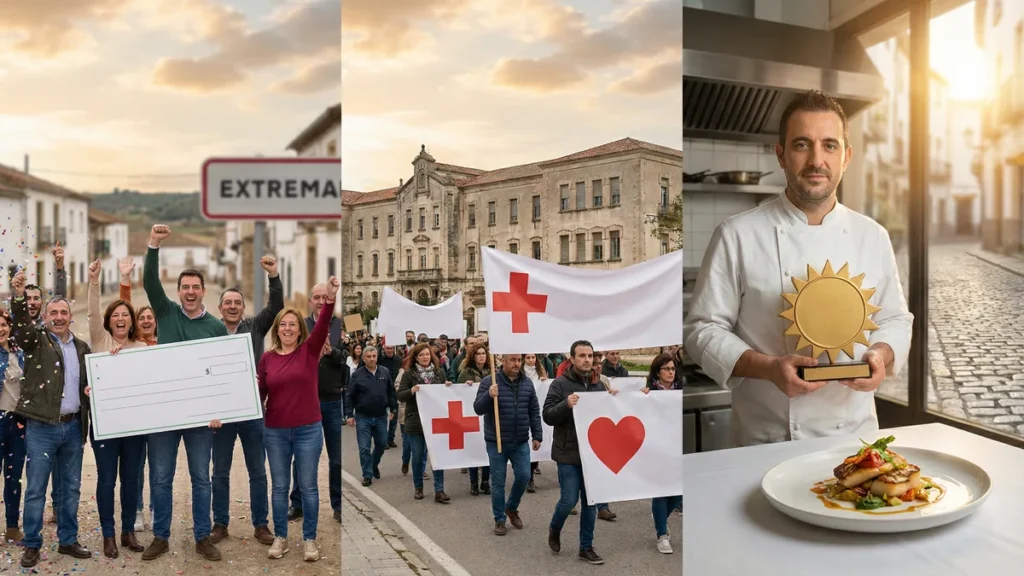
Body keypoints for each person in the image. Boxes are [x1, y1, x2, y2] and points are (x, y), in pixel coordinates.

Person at [683, 90, 914, 447]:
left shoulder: (873, 235)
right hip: (766, 440)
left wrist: (881, 356)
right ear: (781, 155)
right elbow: (702, 330)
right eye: (802, 144)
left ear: (847, 157)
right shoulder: (737, 234)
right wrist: (769, 368)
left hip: (854, 441)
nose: (816, 160)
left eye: (830, 146)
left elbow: (896, 319)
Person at [141, 224, 228, 561]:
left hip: (200, 418)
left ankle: (202, 537)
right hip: (166, 413)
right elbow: (149, 283)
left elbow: (223, 373)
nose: (190, 292)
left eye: (195, 287)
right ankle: (160, 537)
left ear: (204, 291)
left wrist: (220, 408)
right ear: (177, 292)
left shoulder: (216, 327)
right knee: (161, 478)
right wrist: (154, 245)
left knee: (199, 478)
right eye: (185, 287)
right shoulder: (166, 313)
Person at [9, 268, 93, 568]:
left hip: (72, 428)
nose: (58, 317)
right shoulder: (35, 342)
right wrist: (18, 296)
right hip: (42, 427)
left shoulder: (82, 348)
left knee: (70, 488)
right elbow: (20, 329)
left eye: (63, 312)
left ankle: (68, 540)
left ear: (71, 316)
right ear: (45, 316)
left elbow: (88, 385)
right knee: (35, 489)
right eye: (53, 312)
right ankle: (32, 544)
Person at [259, 276, 339, 562]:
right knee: (279, 487)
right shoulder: (267, 359)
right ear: (277, 330)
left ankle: (309, 540)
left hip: (308, 430)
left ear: (300, 329)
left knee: (308, 486)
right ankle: (281, 537)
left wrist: (329, 298)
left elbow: (324, 321)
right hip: (276, 432)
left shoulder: (310, 350)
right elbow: (260, 394)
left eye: (293, 324)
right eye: (283, 324)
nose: (288, 328)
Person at [210, 255, 283, 547]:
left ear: (243, 307)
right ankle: (220, 523)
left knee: (257, 470)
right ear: (220, 308)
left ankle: (260, 524)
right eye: (227, 303)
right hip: (221, 413)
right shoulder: (210, 331)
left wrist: (273, 276)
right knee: (220, 471)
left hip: (252, 410)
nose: (232, 307)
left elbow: (276, 308)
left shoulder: (255, 326)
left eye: (237, 303)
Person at [83, 258, 148, 558]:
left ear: (132, 322)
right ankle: (108, 535)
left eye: (126, 315)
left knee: (131, 480)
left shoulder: (143, 349)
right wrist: (94, 280)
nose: (121, 319)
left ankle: (127, 533)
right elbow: (93, 311)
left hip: (135, 426)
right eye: (116, 316)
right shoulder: (100, 340)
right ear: (109, 322)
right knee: (107, 480)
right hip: (106, 426)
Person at [543, 340, 618, 566]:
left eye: (590, 355)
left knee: (590, 502)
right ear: (572, 359)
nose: (587, 359)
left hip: (592, 455)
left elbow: (612, 414)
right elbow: (547, 415)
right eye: (582, 355)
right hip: (568, 453)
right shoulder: (560, 384)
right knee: (568, 500)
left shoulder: (600, 384)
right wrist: (566, 404)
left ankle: (586, 547)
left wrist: (619, 398)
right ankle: (555, 528)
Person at [288, 283, 345, 524]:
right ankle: (297, 503)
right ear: (310, 301)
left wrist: (332, 352)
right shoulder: (301, 324)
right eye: (317, 297)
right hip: (305, 400)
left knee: (337, 458)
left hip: (332, 400)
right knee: (300, 455)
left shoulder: (341, 324)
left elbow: (348, 359)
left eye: (325, 297)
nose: (322, 301)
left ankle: (339, 505)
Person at [473, 353, 542, 536]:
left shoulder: (527, 383)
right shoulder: (490, 381)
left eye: (519, 360)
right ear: (503, 361)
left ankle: (511, 507)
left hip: (520, 441)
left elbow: (534, 410)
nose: (516, 363)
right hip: (497, 442)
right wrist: (489, 395)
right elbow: (478, 408)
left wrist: (537, 435)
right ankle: (499, 520)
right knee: (498, 482)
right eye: (512, 360)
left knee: (524, 476)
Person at [396, 343, 451, 502]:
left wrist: (447, 386)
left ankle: (439, 490)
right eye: (421, 355)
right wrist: (411, 391)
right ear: (416, 357)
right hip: (416, 421)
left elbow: (444, 396)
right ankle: (418, 487)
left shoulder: (439, 372)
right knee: (418, 456)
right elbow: (401, 395)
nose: (425, 357)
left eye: (427, 354)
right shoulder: (409, 374)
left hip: (436, 422)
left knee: (437, 456)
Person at [643, 353, 683, 554]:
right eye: (666, 368)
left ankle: (659, 516)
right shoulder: (649, 392)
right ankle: (662, 534)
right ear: (657, 372)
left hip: (679, 448)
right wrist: (640, 397)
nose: (670, 372)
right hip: (658, 449)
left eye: (673, 369)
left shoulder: (682, 391)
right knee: (660, 491)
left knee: (678, 492)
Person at [345, 346, 397, 487]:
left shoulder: (384, 372)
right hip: (363, 417)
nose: (372, 359)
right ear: (363, 358)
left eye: (374, 356)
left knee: (382, 443)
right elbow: (349, 395)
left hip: (380, 416)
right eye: (368, 356)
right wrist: (349, 414)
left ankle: (374, 465)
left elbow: (391, 391)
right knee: (364, 447)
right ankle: (367, 474)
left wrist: (393, 408)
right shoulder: (357, 375)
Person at [0, 307, 26, 543]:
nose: (0, 328)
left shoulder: (20, 353)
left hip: (17, 421)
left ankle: (12, 526)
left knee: (14, 476)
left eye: (3, 324)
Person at [457, 343, 491, 496]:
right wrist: (465, 387)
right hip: (471, 416)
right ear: (473, 356)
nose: (481, 356)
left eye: (484, 353)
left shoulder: (493, 373)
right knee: (473, 448)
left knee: (488, 450)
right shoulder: (465, 373)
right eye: (478, 353)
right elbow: (457, 394)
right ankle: (473, 482)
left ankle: (485, 481)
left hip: (488, 415)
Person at [523, 353, 548, 493]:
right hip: (523, 412)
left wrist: (544, 382)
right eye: (528, 358)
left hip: (536, 412)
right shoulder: (520, 374)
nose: (531, 360)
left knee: (536, 444)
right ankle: (527, 477)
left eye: (533, 357)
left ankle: (531, 475)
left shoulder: (541, 371)